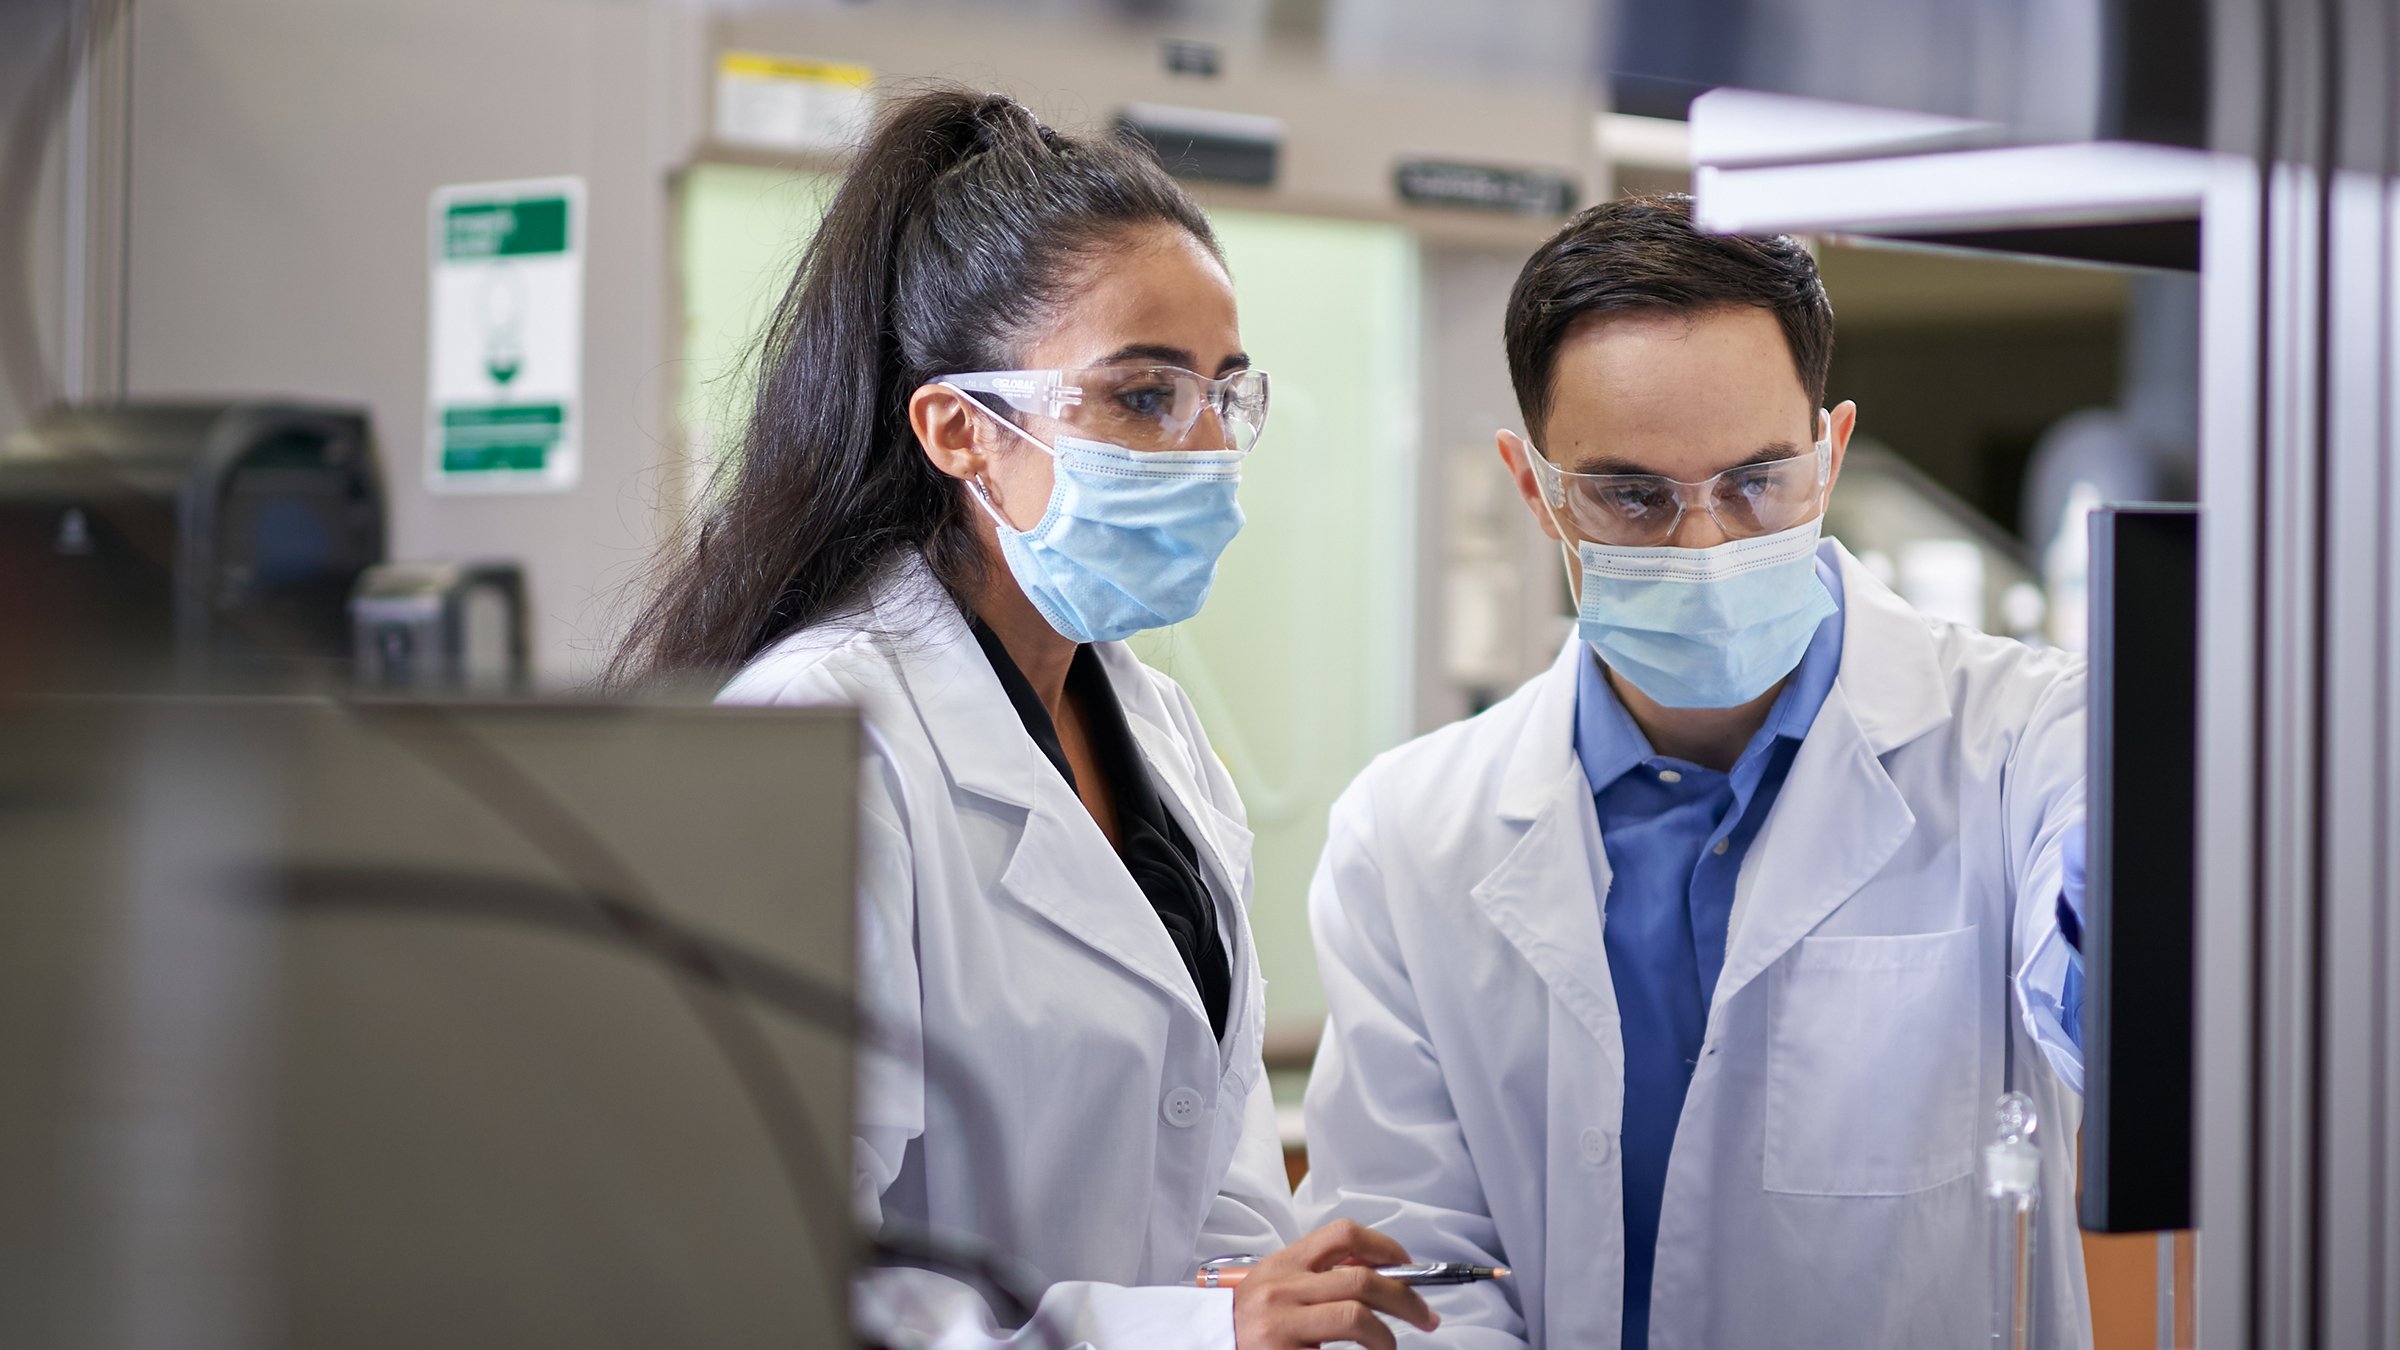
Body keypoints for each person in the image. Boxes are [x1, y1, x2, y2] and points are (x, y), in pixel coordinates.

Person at [611, 87, 1437, 1350]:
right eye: (1145, 396)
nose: (1207, 445)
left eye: (1224, 392)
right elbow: (774, 1266)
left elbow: (1207, 1172)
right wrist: (1188, 1335)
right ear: (960, 430)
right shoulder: (817, 734)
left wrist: (1276, 1306)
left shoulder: (1158, 734)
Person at [1294, 194, 2090, 1349]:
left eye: (1757, 480)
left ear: (1831, 456)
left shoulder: (2022, 742)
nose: (1706, 542)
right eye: (1632, 494)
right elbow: (1417, 1272)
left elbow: (2117, 1008)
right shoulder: (1408, 833)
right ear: (1538, 492)